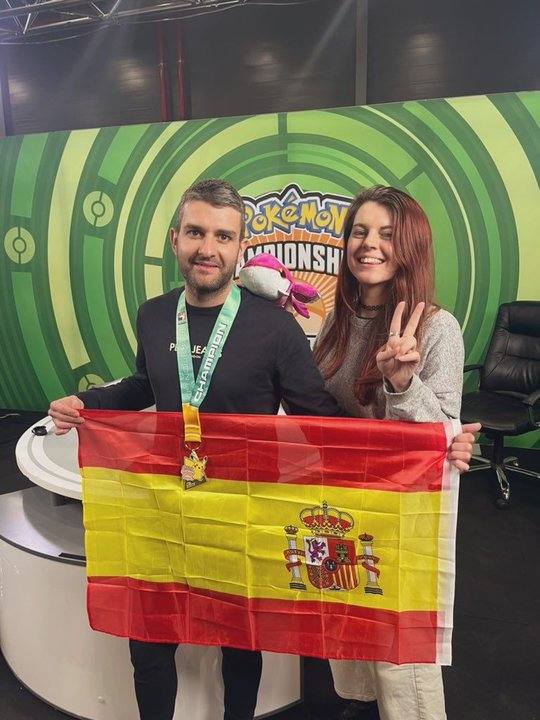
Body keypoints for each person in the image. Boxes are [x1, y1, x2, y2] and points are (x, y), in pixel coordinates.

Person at [49, 179, 476, 720]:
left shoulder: (281, 326)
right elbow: (146, 384)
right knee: (151, 636)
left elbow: (318, 416)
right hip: (164, 502)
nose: (208, 247)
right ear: (174, 238)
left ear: (240, 248)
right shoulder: (160, 315)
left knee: (258, 635)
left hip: (264, 504)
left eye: (223, 235)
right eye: (196, 233)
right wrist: (87, 403)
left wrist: (442, 438)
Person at [314, 185, 477, 720]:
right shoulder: (335, 324)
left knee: (401, 636)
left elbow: (445, 434)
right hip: (341, 499)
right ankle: (358, 702)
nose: (369, 244)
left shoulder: (437, 328)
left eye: (386, 233)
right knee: (346, 608)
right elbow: (316, 408)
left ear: (410, 245)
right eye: (359, 231)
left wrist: (403, 385)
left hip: (403, 509)